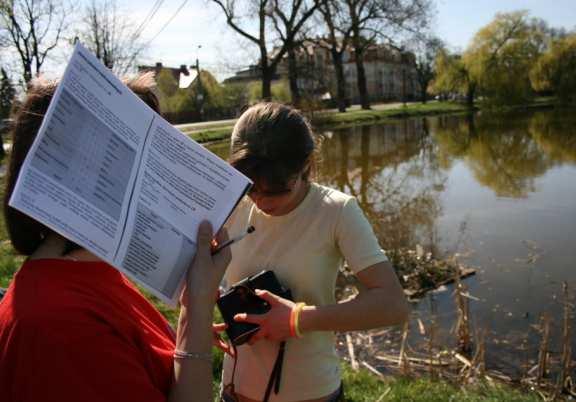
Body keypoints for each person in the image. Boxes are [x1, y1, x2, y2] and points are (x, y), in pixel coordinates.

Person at [0, 75, 231, 402]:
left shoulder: (91, 272)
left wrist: (194, 309)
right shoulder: (59, 328)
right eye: (150, 161)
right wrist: (199, 310)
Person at [220, 102, 409, 402]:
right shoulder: (230, 202)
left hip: (311, 393)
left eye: (277, 189)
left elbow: (393, 305)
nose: (260, 201)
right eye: (251, 188)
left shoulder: (336, 211)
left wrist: (298, 319)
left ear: (306, 164)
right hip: (234, 390)